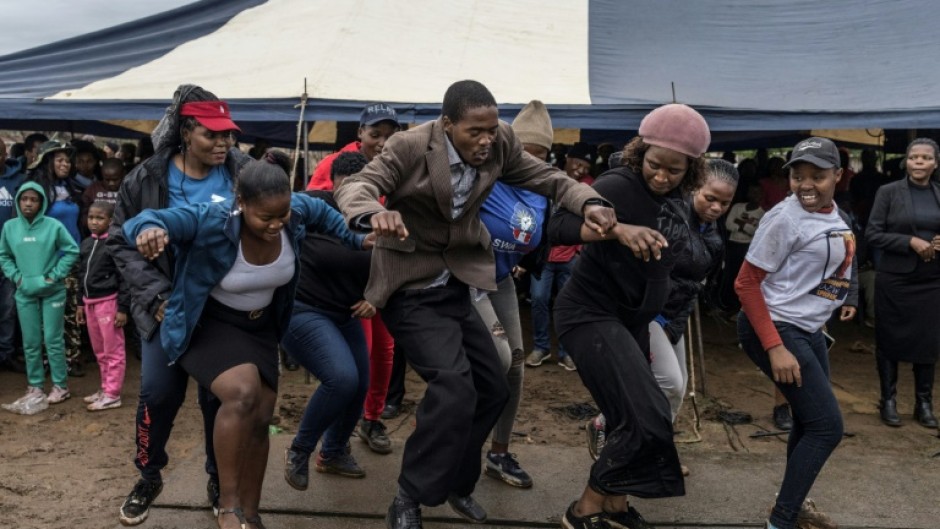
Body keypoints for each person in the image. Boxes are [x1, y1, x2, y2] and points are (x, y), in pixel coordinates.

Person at [335, 80, 615, 529]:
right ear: (447, 125)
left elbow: (547, 177)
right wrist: (373, 212)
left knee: (493, 386)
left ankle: (456, 484)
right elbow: (359, 184)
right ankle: (409, 496)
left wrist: (590, 201)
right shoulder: (410, 146)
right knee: (454, 386)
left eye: (491, 130)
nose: (486, 140)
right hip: (410, 286)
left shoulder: (500, 140)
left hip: (462, 280)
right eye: (474, 132)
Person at [124, 152, 365, 529]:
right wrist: (148, 229)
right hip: (208, 324)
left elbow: (329, 218)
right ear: (241, 204)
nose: (275, 224)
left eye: (281, 215)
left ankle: (251, 514)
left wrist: (359, 240)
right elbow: (144, 219)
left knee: (261, 413)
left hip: (260, 328)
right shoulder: (212, 219)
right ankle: (228, 504)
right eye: (264, 217)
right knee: (242, 393)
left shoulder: (296, 209)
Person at [549, 103, 709, 529]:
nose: (662, 176)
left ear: (690, 170)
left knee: (629, 417)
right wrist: (617, 230)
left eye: (675, 171)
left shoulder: (677, 199)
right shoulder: (617, 185)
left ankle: (615, 508)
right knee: (646, 413)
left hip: (633, 322)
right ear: (641, 154)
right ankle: (583, 509)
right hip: (590, 313)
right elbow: (558, 225)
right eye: (655, 165)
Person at [110, 84, 250, 526]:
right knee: (157, 395)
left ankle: (216, 476)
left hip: (222, 310)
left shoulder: (240, 173)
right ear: (186, 132)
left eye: (228, 134)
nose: (223, 143)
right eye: (212, 135)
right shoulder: (146, 178)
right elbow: (121, 240)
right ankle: (149, 475)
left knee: (217, 400)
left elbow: (269, 220)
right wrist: (154, 296)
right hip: (165, 309)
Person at [735, 137, 857, 529]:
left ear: (838, 175)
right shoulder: (784, 218)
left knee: (808, 422)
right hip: (777, 326)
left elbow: (838, 265)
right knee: (827, 427)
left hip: (809, 329)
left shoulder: (834, 215)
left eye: (817, 176)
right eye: (798, 176)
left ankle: (793, 504)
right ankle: (781, 520)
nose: (806, 184)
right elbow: (746, 284)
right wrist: (775, 347)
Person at [283, 151, 380, 491]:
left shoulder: (374, 217)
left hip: (345, 313)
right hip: (303, 309)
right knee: (341, 378)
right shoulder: (312, 205)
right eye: (347, 187)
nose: (354, 195)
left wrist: (375, 297)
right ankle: (300, 450)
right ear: (333, 183)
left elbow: (392, 264)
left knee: (360, 383)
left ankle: (334, 452)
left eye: (364, 187)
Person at [471, 100, 553, 488]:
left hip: (502, 280)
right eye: (524, 152)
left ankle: (499, 453)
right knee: (499, 360)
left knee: (516, 366)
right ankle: (461, 441)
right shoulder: (483, 175)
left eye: (540, 155)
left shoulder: (541, 188)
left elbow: (536, 233)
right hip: (468, 280)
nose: (530, 162)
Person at [866, 137, 940, 429]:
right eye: (913, 157)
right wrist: (909, 241)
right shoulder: (888, 192)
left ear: (935, 163)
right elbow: (872, 234)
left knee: (928, 341)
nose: (918, 162)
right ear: (906, 162)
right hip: (895, 279)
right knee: (889, 339)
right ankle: (888, 401)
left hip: (932, 279)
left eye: (925, 158)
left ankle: (924, 403)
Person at [0, 182, 80, 412]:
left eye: (34, 200)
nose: (28, 203)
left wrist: (54, 276)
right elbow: (4, 255)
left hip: (52, 291)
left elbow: (72, 250)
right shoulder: (10, 227)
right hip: (24, 291)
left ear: (41, 202)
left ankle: (60, 386)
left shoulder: (53, 226)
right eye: (24, 199)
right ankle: (35, 385)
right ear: (18, 202)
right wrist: (17, 278)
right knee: (31, 342)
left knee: (53, 340)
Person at [526, 142, 595, 371]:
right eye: (577, 162)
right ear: (567, 159)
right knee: (538, 301)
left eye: (586, 165)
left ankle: (567, 352)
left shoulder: (588, 187)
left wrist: (578, 250)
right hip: (544, 258)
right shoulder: (547, 180)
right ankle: (541, 348)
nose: (580, 168)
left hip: (569, 260)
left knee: (569, 307)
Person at [26, 140, 86, 376]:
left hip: (71, 257)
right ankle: (47, 359)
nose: (66, 164)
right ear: (47, 162)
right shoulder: (35, 189)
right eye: (60, 160)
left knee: (71, 310)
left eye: (67, 160)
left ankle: (71, 358)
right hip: (46, 261)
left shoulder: (70, 187)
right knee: (46, 313)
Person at [76, 200, 129, 411]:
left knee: (113, 349)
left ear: (110, 220)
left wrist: (123, 308)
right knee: (100, 350)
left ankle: (113, 394)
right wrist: (80, 303)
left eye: (100, 218)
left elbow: (124, 278)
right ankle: (105, 387)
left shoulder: (114, 244)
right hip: (90, 304)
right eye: (91, 217)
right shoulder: (87, 243)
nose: (94, 222)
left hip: (108, 303)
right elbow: (82, 275)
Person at [306, 102, 401, 191]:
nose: (383, 143)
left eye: (390, 137)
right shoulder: (330, 164)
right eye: (375, 135)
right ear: (360, 132)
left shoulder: (399, 168)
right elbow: (312, 203)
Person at [0, 140, 26, 373]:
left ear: (4, 154)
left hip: (10, 255)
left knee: (9, 306)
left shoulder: (18, 181)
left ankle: (6, 353)